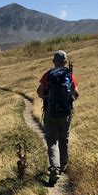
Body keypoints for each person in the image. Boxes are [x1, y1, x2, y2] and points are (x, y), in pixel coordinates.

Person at [37, 50, 79, 185]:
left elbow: (39, 93)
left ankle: (55, 169)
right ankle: (63, 165)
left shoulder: (48, 75)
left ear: (54, 61)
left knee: (52, 141)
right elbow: (76, 94)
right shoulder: (69, 75)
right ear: (65, 62)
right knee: (63, 139)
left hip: (50, 113)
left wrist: (49, 97)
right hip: (66, 114)